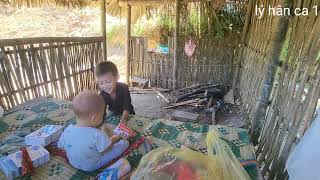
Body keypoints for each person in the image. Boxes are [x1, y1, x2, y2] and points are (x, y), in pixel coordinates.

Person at [58, 90, 129, 171]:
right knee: (123, 144)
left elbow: (61, 146)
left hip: (73, 162)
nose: (103, 117)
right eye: (102, 115)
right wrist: (113, 140)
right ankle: (125, 142)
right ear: (94, 118)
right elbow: (105, 149)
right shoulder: (97, 134)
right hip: (91, 165)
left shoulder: (68, 130)